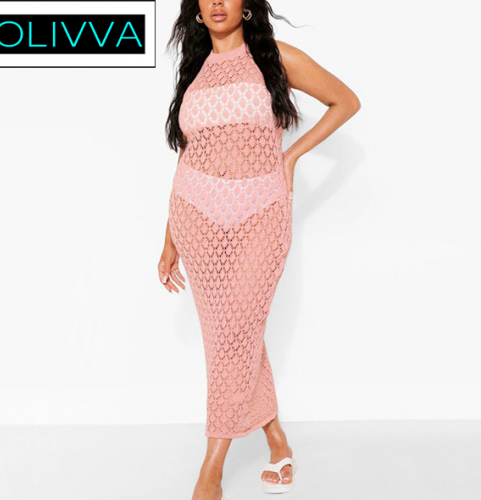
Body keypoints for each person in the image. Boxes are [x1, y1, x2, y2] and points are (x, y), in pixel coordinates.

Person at [159, 2, 361, 499]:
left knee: (234, 334)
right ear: (196, 10)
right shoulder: (195, 73)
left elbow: (345, 101)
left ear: (247, 6)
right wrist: (169, 239)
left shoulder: (275, 56)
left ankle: (212, 467)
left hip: (261, 215)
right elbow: (188, 154)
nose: (217, 2)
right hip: (195, 219)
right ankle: (276, 439)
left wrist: (291, 155)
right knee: (233, 334)